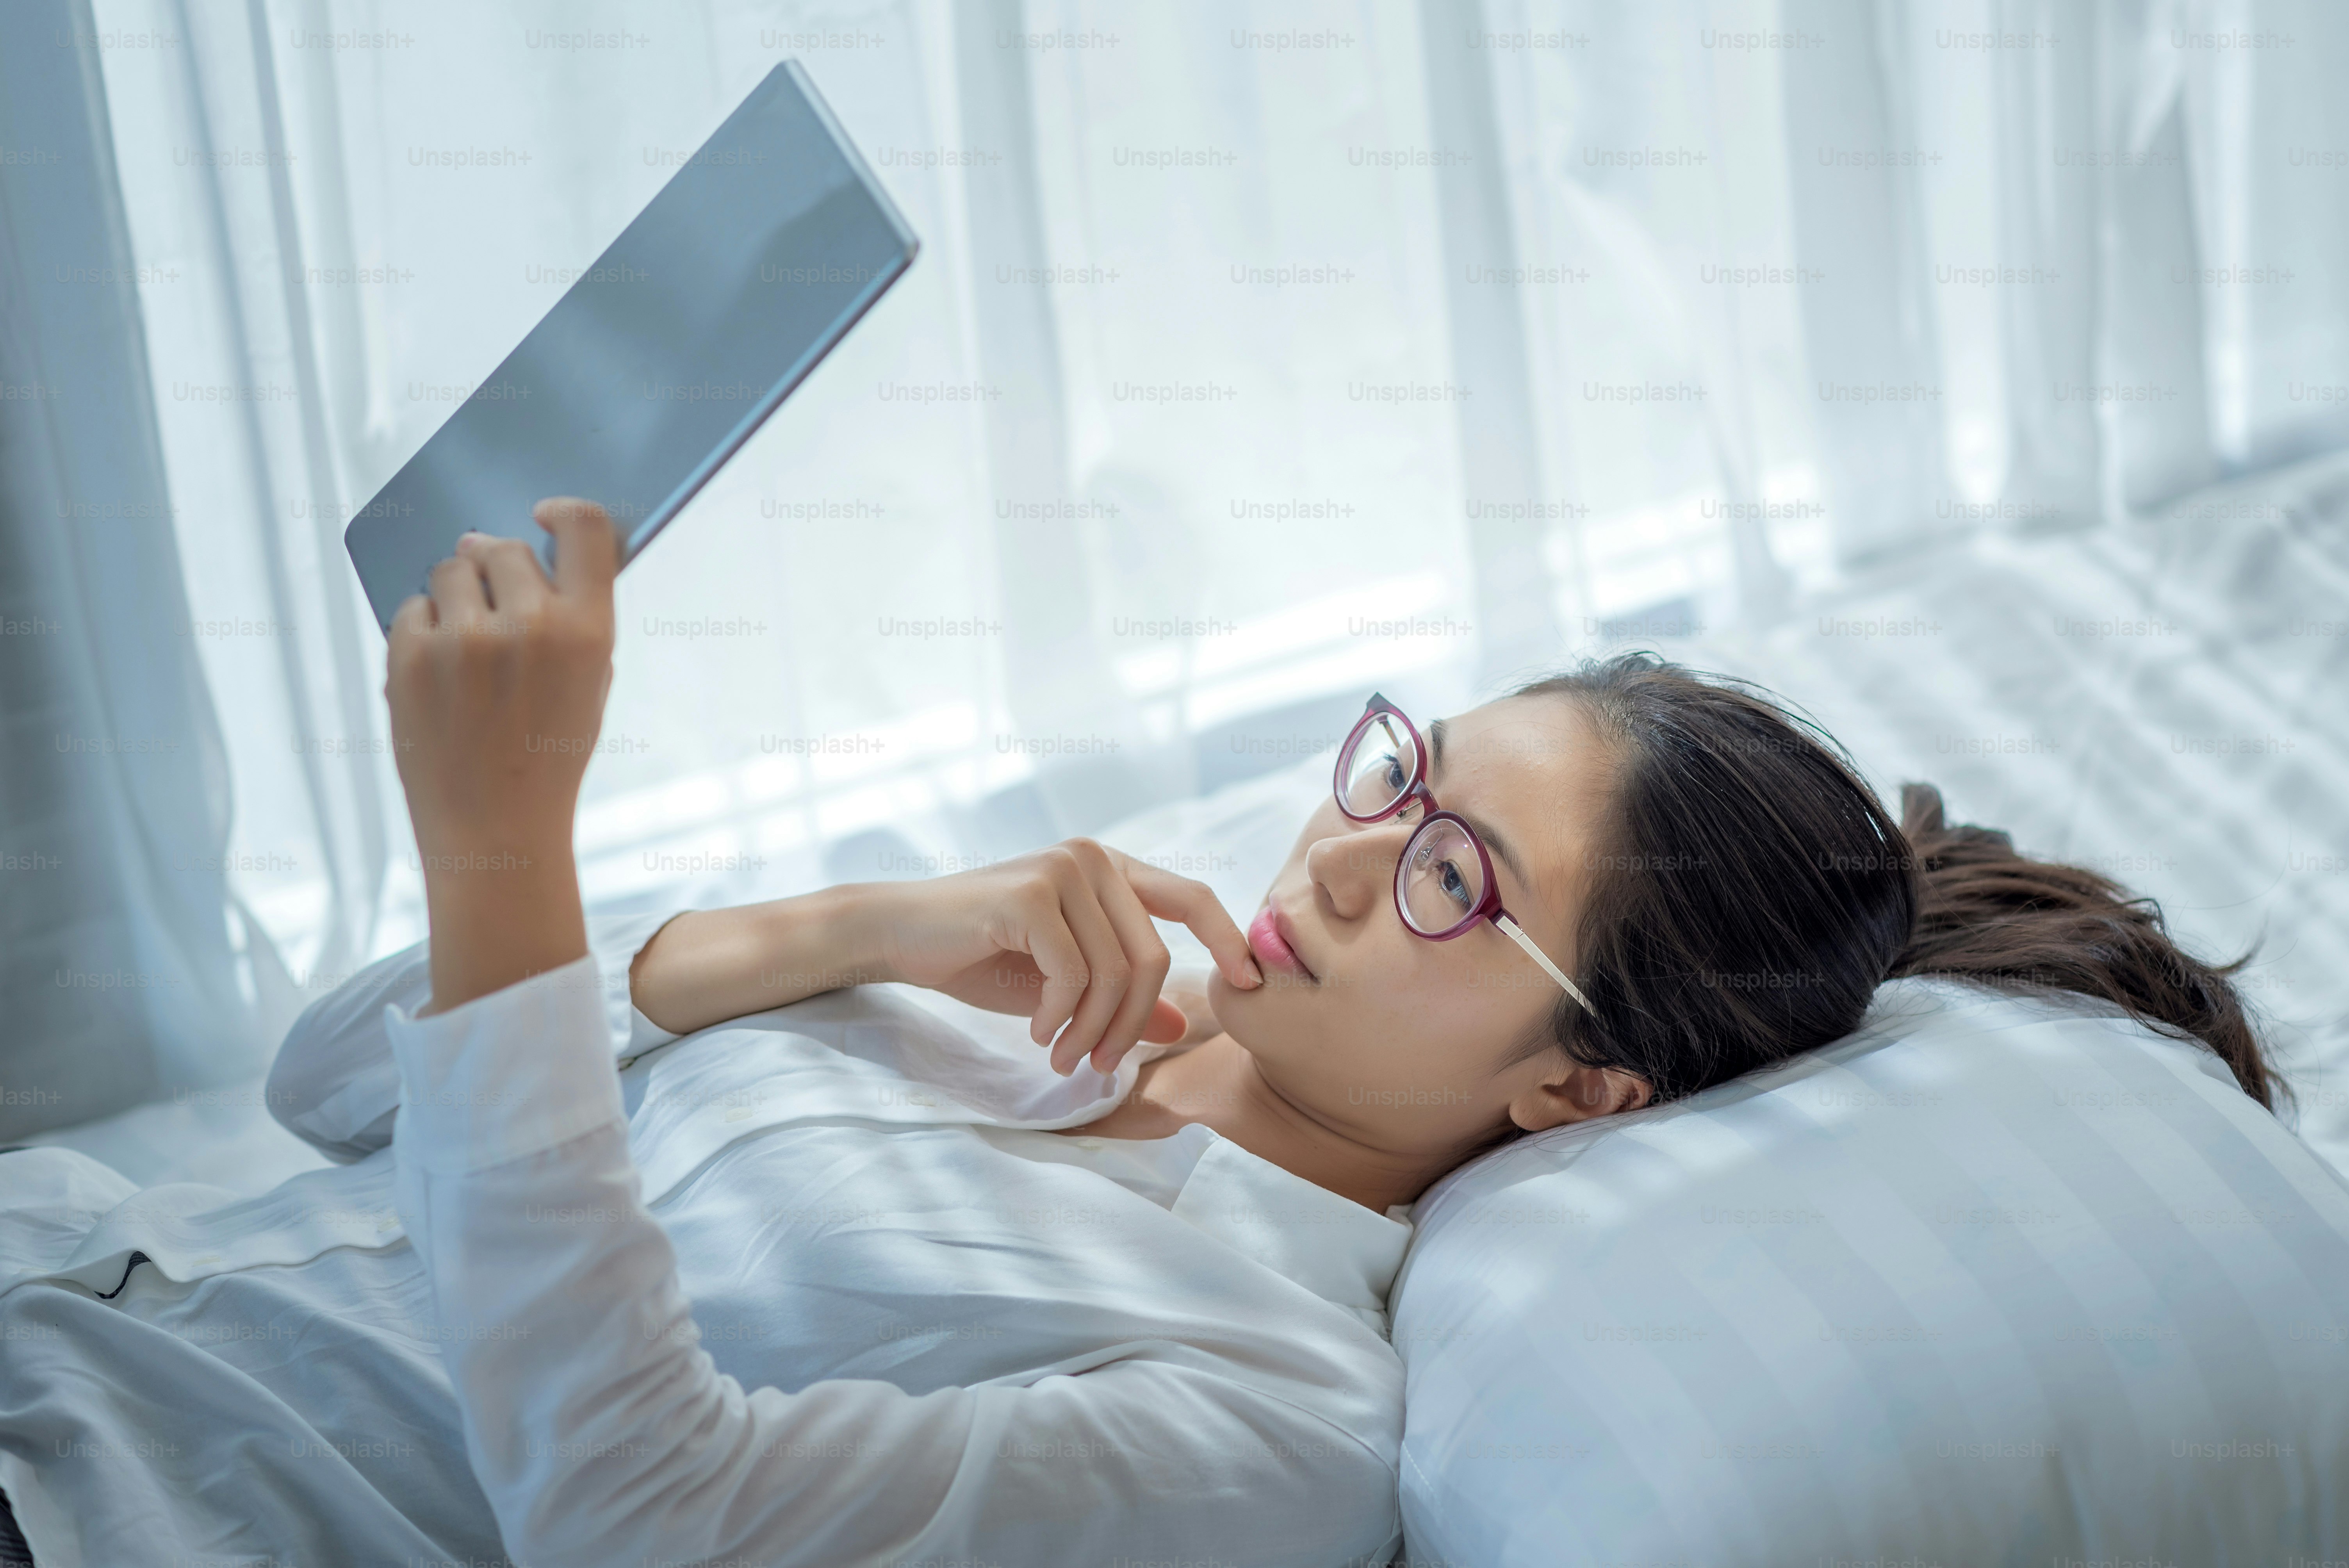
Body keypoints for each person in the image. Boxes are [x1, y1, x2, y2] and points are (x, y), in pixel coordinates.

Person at [0, 500, 2272, 1566]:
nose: (1354, 855)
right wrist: (837, 924)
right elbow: (325, 1090)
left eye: (1460, 879)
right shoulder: (1046, 972)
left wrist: (508, 851)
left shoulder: (1270, 1416)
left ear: (1583, 1088)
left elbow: (634, 1519)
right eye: (1401, 774)